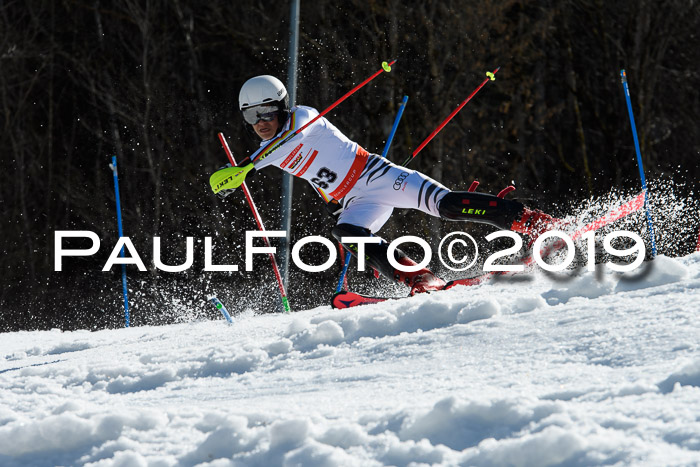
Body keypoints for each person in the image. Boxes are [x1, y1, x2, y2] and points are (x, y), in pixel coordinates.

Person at [210, 75, 555, 295]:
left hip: (377, 176)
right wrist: (233, 176)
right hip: (356, 200)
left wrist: (245, 168)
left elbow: (283, 144)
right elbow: (293, 165)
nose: (260, 123)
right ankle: (420, 279)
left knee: (446, 206)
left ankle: (529, 221)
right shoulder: (265, 151)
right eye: (251, 116)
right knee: (345, 231)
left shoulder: (303, 117)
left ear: (282, 106)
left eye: (266, 112)